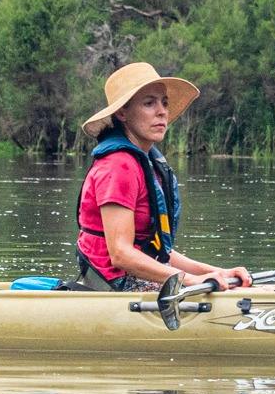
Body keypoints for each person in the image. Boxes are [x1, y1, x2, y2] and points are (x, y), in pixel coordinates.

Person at [75, 62, 251, 292]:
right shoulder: (118, 166)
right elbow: (121, 254)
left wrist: (213, 272)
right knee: (253, 293)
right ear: (122, 113)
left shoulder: (145, 164)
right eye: (149, 103)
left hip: (136, 280)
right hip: (114, 285)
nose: (162, 111)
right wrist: (188, 279)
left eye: (164, 102)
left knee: (245, 290)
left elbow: (158, 251)